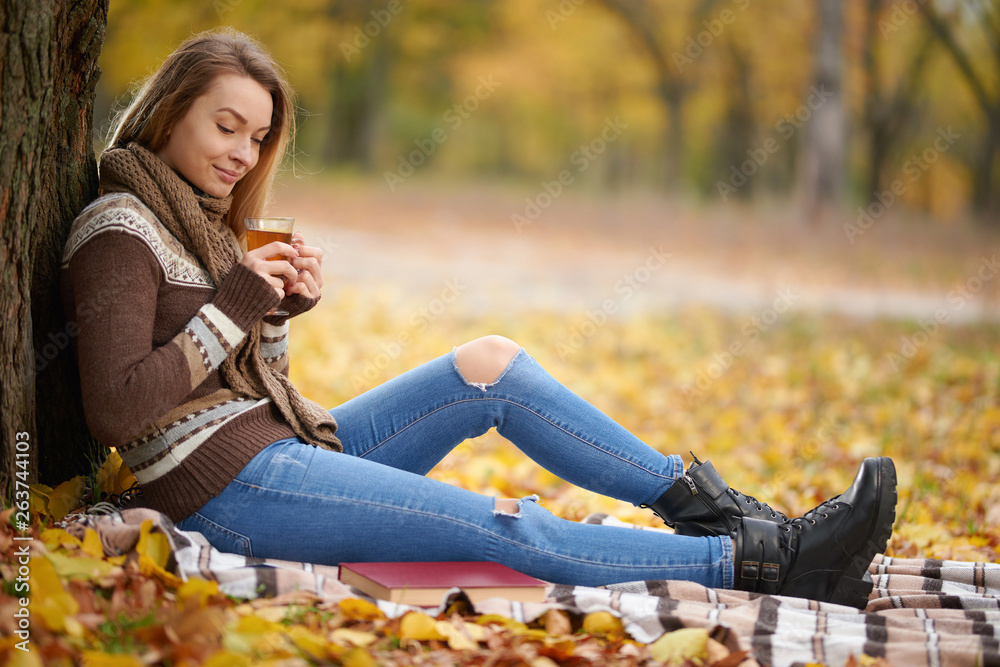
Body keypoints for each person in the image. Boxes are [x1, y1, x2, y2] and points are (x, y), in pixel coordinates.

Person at [62, 28, 896, 610]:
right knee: (501, 526)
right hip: (226, 492)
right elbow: (119, 407)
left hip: (278, 447)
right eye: (226, 125)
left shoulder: (201, 224)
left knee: (488, 363)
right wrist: (239, 301)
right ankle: (765, 561)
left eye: (258, 136)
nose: (243, 153)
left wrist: (275, 315)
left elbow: (253, 387)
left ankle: (718, 508)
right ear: (171, 110)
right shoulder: (119, 229)